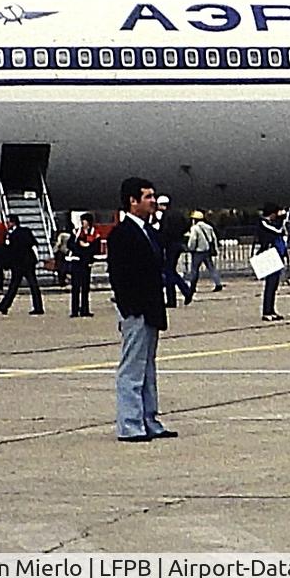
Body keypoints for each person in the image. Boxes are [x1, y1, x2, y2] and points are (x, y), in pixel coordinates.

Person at [109, 178, 175, 442]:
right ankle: (130, 424)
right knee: (132, 369)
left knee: (147, 368)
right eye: (147, 197)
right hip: (136, 310)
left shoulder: (149, 232)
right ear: (132, 201)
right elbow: (119, 276)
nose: (153, 201)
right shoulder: (122, 234)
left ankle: (149, 419)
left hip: (151, 308)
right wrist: (129, 309)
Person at [0, 215, 43, 315]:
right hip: (28, 261)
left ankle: (4, 306)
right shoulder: (26, 231)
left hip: (19, 263)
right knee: (32, 285)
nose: (7, 225)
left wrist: (7, 264)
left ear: (13, 223)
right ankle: (38, 306)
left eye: (8, 222)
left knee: (15, 286)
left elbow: (12, 251)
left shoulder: (13, 235)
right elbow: (33, 244)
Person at [257, 202, 288, 321]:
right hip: (269, 255)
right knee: (269, 285)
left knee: (274, 284)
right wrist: (282, 219)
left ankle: (272, 309)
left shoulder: (272, 223)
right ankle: (266, 311)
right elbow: (277, 231)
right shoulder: (263, 223)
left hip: (276, 255)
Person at [67, 216, 98, 318]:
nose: (82, 223)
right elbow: (70, 244)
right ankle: (74, 310)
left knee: (85, 287)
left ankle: (85, 309)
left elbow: (95, 247)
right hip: (77, 261)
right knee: (75, 287)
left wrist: (87, 247)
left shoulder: (94, 233)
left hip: (86, 263)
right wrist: (80, 247)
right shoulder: (76, 233)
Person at [182, 211, 220, 291]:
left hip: (198, 251)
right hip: (207, 251)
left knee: (194, 270)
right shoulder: (209, 227)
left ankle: (193, 286)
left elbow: (193, 239)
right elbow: (214, 239)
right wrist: (215, 249)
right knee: (211, 268)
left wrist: (190, 248)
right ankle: (218, 283)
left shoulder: (194, 228)